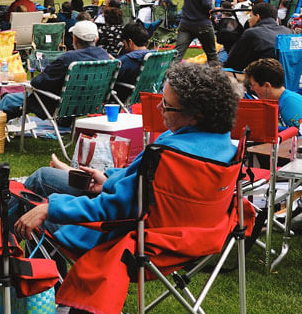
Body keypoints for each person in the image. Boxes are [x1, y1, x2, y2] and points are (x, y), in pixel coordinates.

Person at [17, 62, 240, 253]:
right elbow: (139, 185)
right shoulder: (225, 146)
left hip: (126, 235)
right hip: (191, 236)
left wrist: (50, 209)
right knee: (44, 176)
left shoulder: (168, 152)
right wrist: (108, 179)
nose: (158, 107)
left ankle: (29, 283)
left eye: (166, 104)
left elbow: (111, 208)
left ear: (194, 116)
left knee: (27, 204)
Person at [0, 21, 112, 120]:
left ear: (75, 39)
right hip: (88, 103)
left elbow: (38, 83)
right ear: (96, 38)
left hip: (55, 104)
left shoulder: (69, 59)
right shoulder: (104, 56)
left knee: (9, 99)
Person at [225, 1, 291, 73]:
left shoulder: (252, 33)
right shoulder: (288, 32)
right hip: (287, 78)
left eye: (251, 16)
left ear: (257, 17)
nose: (249, 20)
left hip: (262, 78)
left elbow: (233, 63)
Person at [244, 58, 302, 130]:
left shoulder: (291, 104)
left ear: (267, 86)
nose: (251, 89)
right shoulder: (278, 102)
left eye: (253, 85)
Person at [113, 21, 151, 103]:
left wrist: (113, 64)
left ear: (130, 42)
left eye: (124, 43)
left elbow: (111, 78)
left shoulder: (127, 60)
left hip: (122, 96)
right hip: (147, 94)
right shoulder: (155, 56)